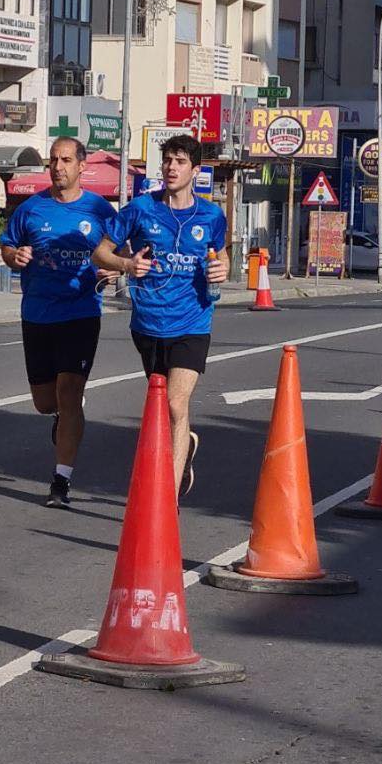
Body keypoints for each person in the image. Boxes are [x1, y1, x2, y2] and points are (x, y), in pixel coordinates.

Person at [91, 134, 230, 498]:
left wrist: (222, 270)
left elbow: (222, 254)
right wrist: (126, 263)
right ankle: (184, 447)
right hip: (148, 323)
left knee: (175, 403)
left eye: (180, 161)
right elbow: (100, 253)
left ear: (195, 171)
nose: (171, 167)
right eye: (167, 160)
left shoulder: (212, 216)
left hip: (192, 322)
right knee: (160, 403)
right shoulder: (140, 209)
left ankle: (165, 499)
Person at [0, 138, 115, 508]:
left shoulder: (98, 209)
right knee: (44, 401)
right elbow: (6, 246)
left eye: (65, 160)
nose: (57, 166)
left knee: (69, 392)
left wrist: (112, 268)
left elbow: (119, 249)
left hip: (80, 313)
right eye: (53, 160)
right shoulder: (31, 209)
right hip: (37, 314)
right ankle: (63, 417)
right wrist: (14, 256)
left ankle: (60, 482)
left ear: (82, 166)